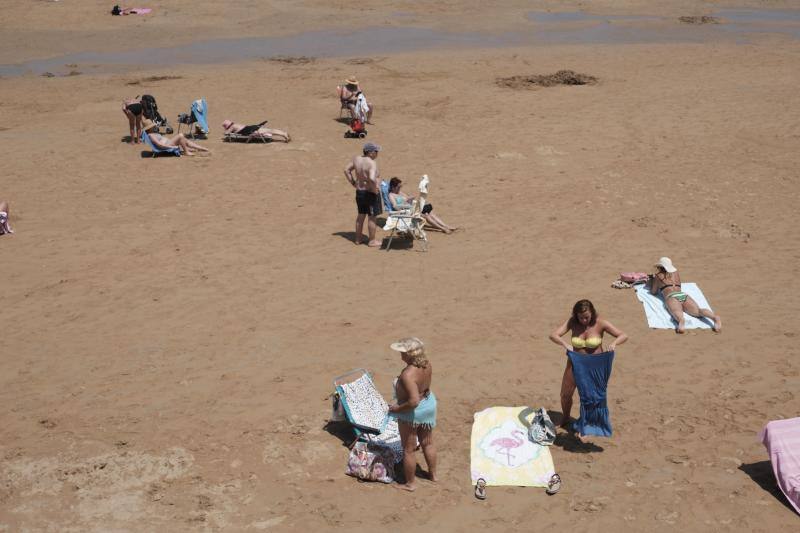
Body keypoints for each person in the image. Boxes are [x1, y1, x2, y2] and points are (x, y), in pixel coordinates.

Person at [549, 299, 628, 431]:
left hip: (594, 365)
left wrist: (614, 343)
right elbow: (553, 335)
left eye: (586, 317)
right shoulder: (572, 322)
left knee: (589, 397)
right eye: (581, 318)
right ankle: (566, 417)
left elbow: (623, 335)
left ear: (592, 313)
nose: (584, 320)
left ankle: (585, 424)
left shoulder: (601, 323)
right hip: (575, 362)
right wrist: (565, 344)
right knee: (565, 394)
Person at [388, 337, 437, 492]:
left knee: (408, 449)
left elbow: (413, 401)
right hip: (429, 404)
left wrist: (396, 409)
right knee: (427, 443)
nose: (400, 355)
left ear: (410, 354)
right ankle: (433, 475)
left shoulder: (407, 374)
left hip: (413, 413)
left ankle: (410, 483)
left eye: (403, 352)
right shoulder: (427, 364)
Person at [649, 256, 722, 334]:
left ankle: (681, 321)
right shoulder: (675, 272)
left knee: (677, 311)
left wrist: (652, 281)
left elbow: (654, 292)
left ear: (660, 266)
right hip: (682, 295)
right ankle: (714, 317)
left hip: (671, 296)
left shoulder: (657, 276)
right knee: (698, 311)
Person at [344, 142, 382, 247]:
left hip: (359, 191)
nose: (377, 153)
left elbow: (346, 170)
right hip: (370, 193)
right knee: (372, 217)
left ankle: (358, 239)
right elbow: (371, 178)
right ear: (370, 152)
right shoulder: (371, 163)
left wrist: (353, 183)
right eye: (376, 151)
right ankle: (372, 241)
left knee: (361, 216)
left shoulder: (357, 159)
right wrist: (375, 190)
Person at [387, 177, 458, 234]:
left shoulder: (399, 192)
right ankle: (443, 229)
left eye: (400, 187)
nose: (400, 188)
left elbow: (408, 198)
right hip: (406, 211)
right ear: (393, 187)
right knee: (426, 215)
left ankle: (446, 226)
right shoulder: (391, 195)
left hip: (412, 207)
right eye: (398, 187)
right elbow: (395, 206)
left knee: (430, 212)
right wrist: (406, 201)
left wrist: (410, 198)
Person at [142, 119, 210, 156]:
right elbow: (159, 144)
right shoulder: (151, 135)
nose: (154, 127)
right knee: (180, 136)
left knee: (185, 140)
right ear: (149, 128)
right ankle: (186, 152)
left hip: (169, 142)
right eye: (152, 126)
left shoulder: (153, 133)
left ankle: (202, 148)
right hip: (167, 145)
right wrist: (172, 147)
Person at [221, 119, 290, 142]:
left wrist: (225, 132)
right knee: (270, 130)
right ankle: (284, 133)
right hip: (251, 127)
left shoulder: (232, 127)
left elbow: (226, 134)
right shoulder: (235, 124)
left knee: (269, 131)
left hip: (251, 130)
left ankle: (284, 134)